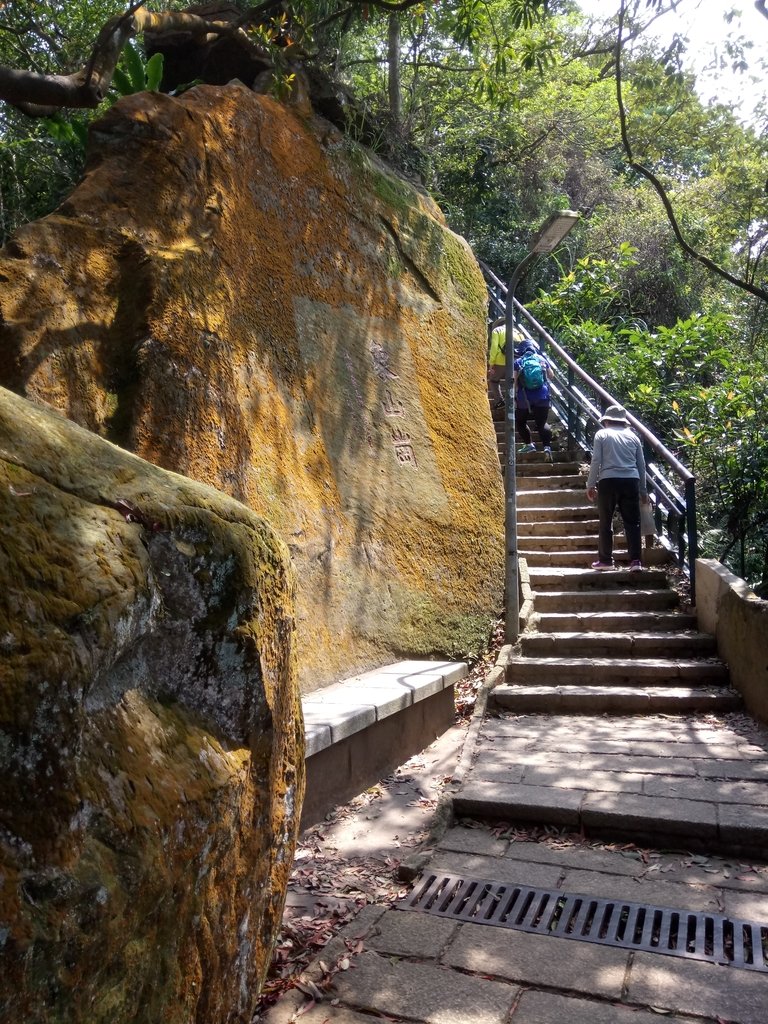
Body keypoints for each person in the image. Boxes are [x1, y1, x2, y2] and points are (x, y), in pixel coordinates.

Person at [585, 404, 650, 571]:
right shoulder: (634, 437)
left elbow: (596, 461)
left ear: (607, 421)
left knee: (606, 521)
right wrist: (643, 491)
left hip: (608, 481)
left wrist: (591, 484)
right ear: (623, 422)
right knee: (633, 522)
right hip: (631, 481)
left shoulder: (602, 434)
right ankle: (636, 561)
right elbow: (641, 465)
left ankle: (605, 560)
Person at [513, 339, 554, 461]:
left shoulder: (518, 361)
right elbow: (551, 375)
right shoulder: (541, 359)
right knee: (542, 423)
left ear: (521, 351)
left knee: (520, 421)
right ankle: (547, 448)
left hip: (524, 397)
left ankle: (529, 445)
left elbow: (513, 380)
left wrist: (514, 397)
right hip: (542, 396)